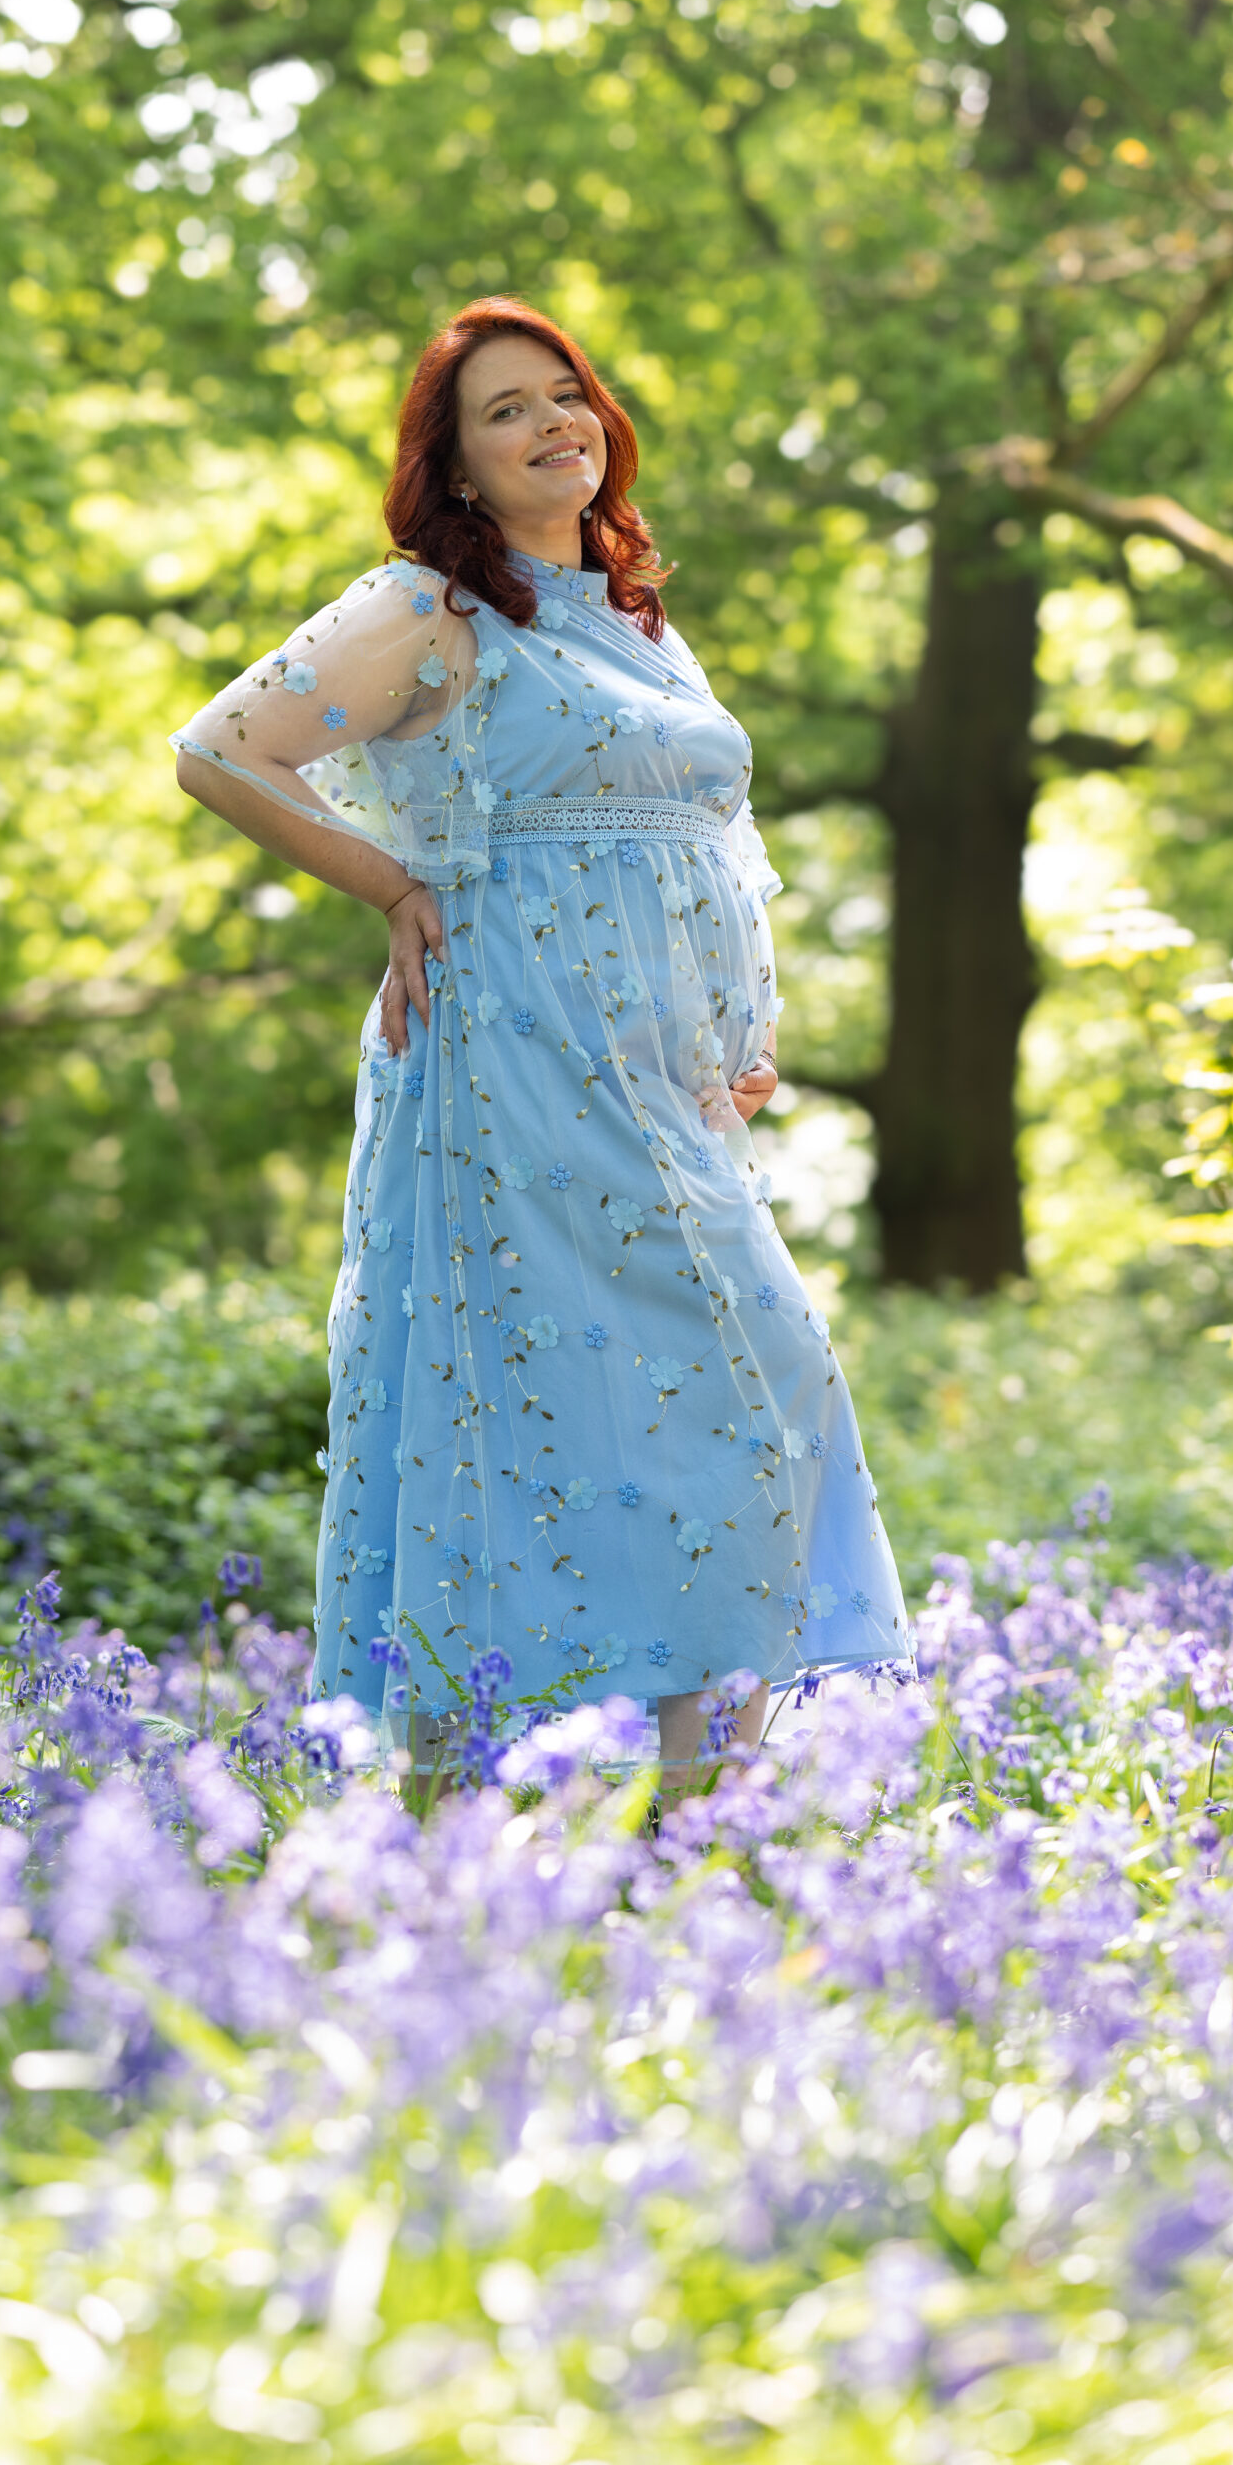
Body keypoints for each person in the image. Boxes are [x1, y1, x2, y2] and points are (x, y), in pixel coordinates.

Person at [172, 296, 914, 1794]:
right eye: (503, 410)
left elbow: (709, 833)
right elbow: (220, 749)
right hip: (503, 1054)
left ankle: (698, 1818)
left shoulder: (636, 617)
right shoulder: (423, 612)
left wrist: (737, 1027)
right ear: (453, 465)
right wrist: (392, 884)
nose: (548, 422)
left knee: (764, 1381)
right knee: (498, 1396)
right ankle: (452, 1818)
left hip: (658, 1084)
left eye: (562, 392)